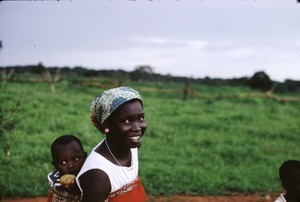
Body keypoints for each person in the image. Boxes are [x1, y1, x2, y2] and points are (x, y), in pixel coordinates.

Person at [76, 86, 147, 202]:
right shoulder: (98, 176)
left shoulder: (130, 145)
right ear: (106, 125)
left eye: (141, 118)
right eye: (126, 121)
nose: (137, 127)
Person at [47, 134, 87, 202]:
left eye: (76, 159)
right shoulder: (56, 180)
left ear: (85, 157)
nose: (70, 165)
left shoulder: (91, 176)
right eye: (63, 162)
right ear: (55, 165)